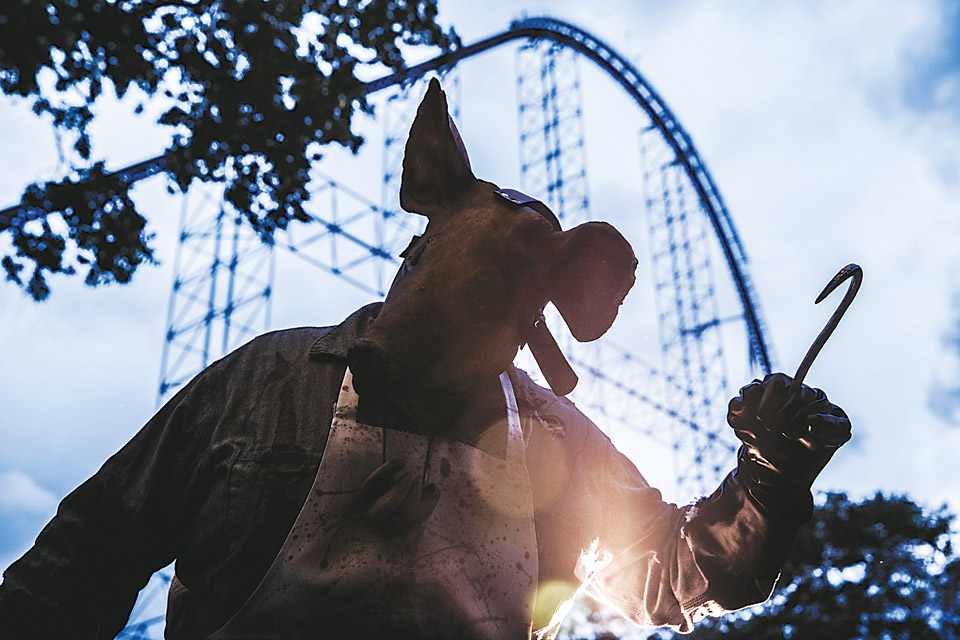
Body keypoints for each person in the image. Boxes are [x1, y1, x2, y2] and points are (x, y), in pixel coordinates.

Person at [0, 79, 851, 640]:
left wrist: (769, 481)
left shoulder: (554, 433)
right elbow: (88, 556)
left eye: (500, 301)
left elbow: (677, 568)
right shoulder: (264, 385)